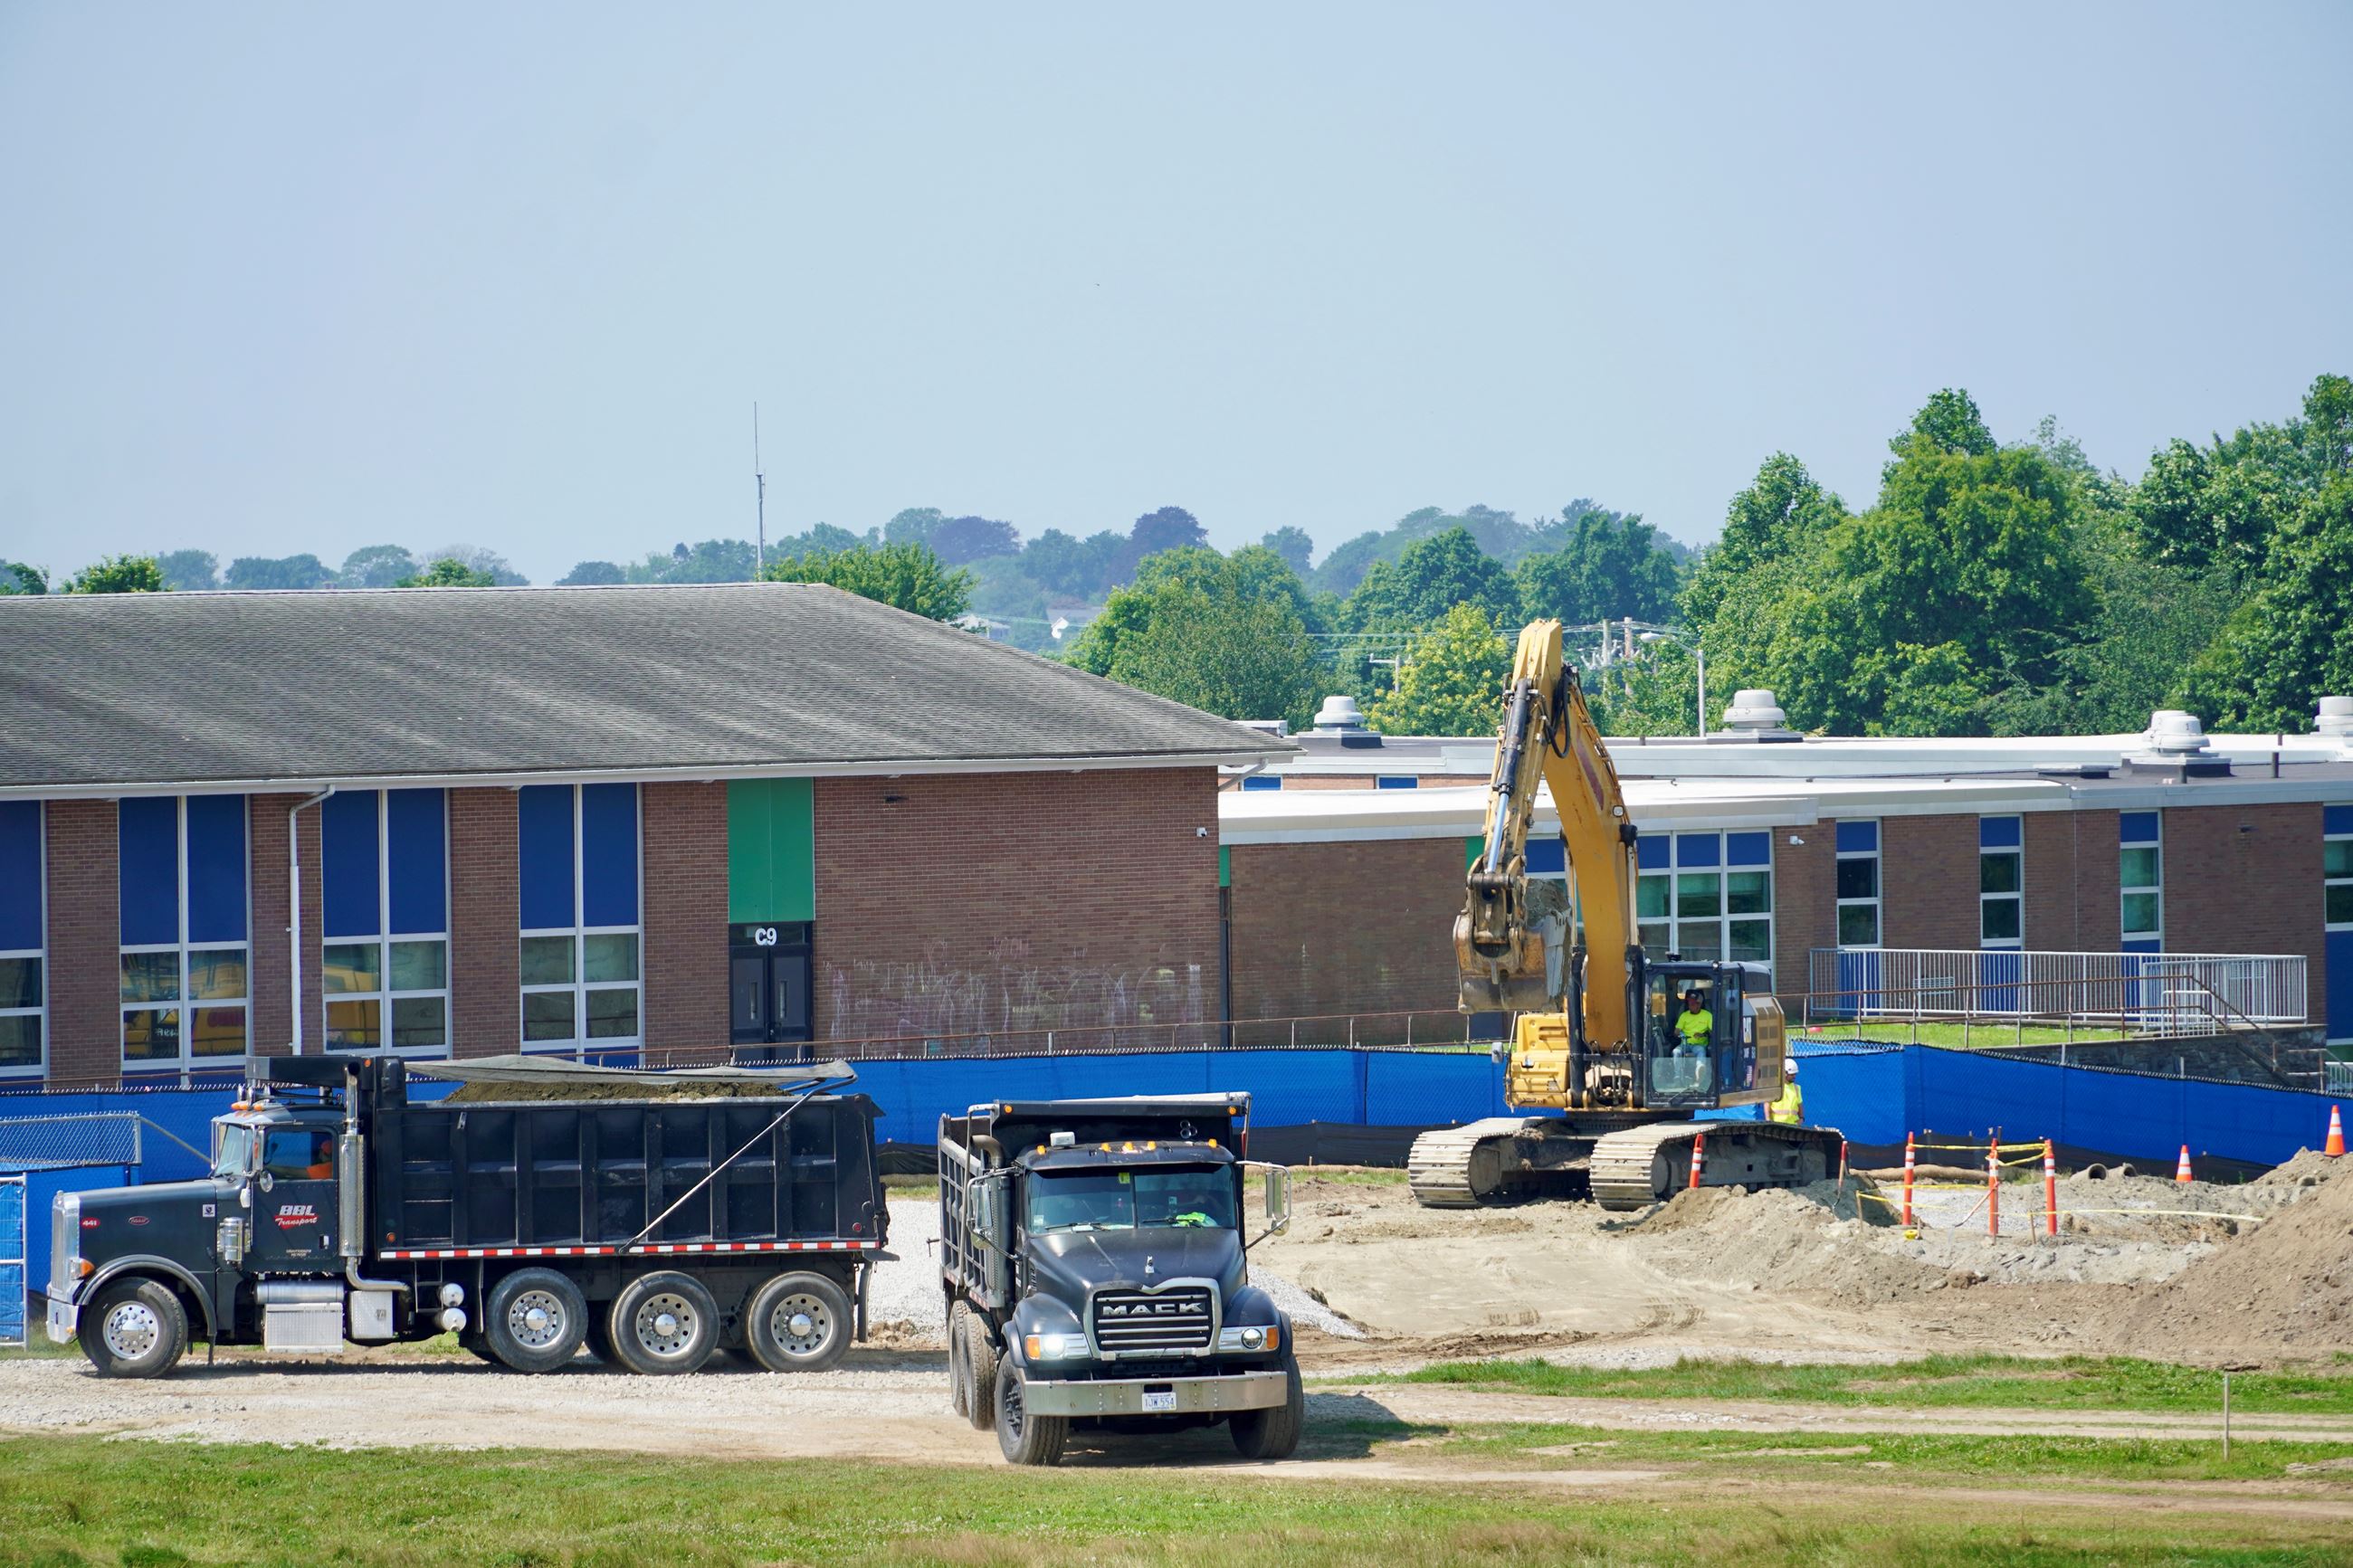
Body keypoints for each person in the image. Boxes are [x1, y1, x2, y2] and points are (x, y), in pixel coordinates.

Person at [1673, 990, 1713, 1056]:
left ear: (1699, 1004)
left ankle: (1700, 1065)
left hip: (1699, 1045)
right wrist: (1680, 1034)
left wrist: (1703, 1035)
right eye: (1689, 1002)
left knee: (1701, 1051)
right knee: (1676, 1052)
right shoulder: (1684, 1015)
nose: (1689, 1005)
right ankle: (1677, 1067)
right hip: (1684, 1044)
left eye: (1692, 1003)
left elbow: (1713, 1033)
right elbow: (1676, 1032)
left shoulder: (1708, 1015)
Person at [1767, 1058, 1805, 1125]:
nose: (1794, 1076)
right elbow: (1767, 1104)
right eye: (1792, 1074)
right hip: (1777, 1125)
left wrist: (1801, 1118)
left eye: (1795, 1074)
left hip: (1793, 1125)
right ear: (1784, 1073)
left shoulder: (1797, 1088)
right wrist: (1768, 1120)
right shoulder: (1774, 1087)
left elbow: (1800, 1105)